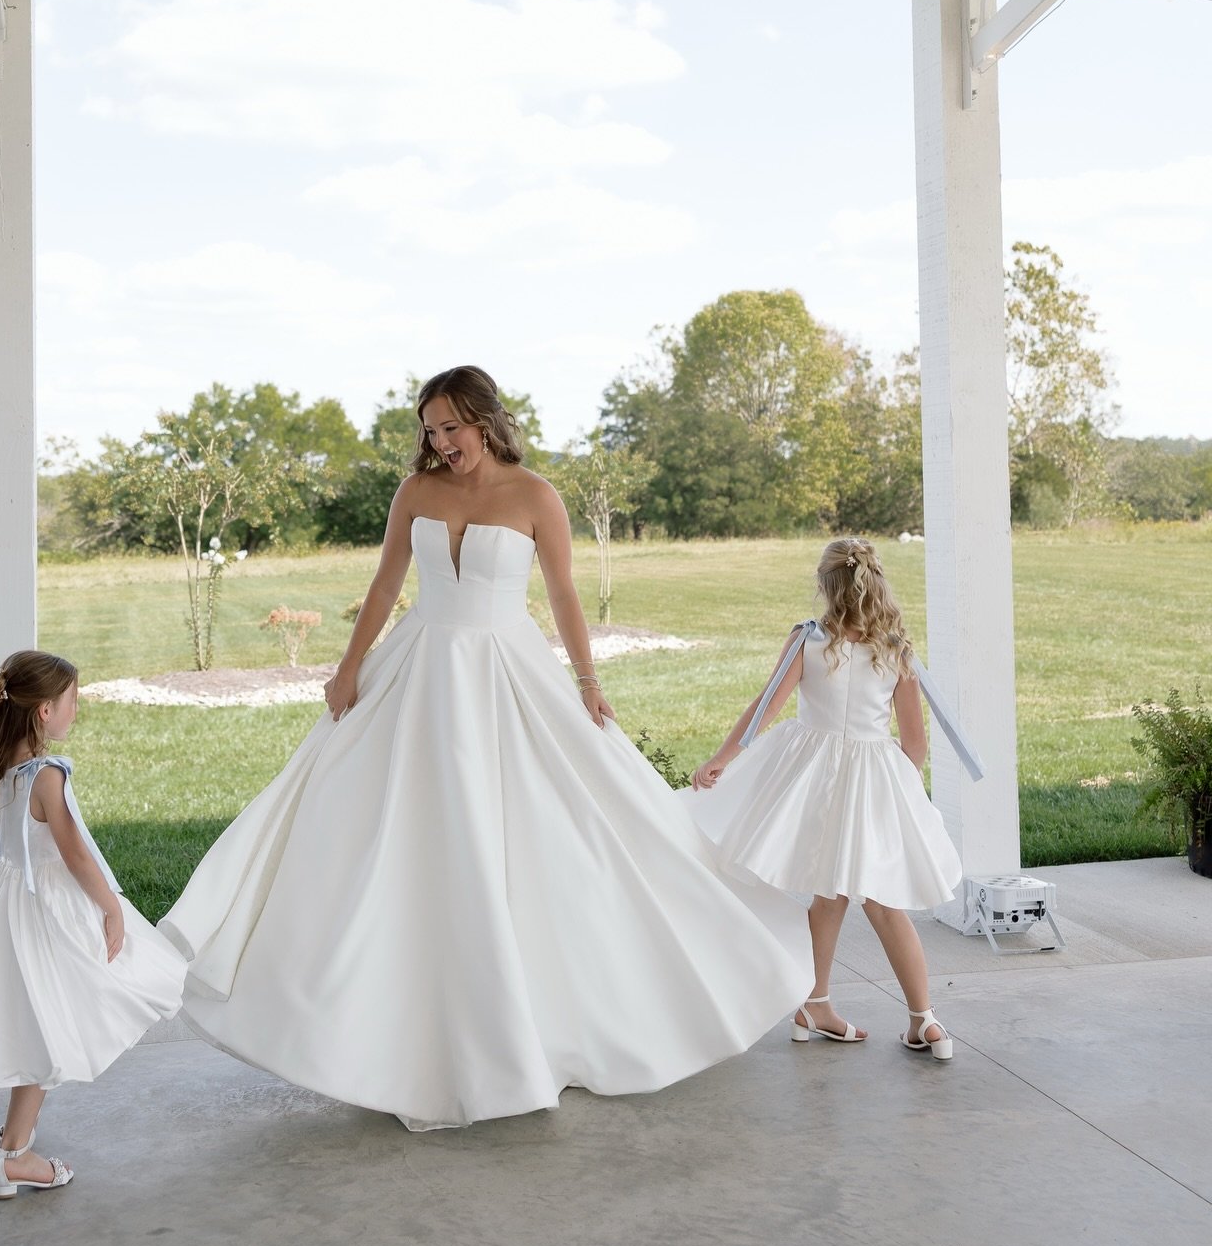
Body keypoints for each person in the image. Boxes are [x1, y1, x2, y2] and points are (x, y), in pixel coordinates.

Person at [162, 364, 812, 1130]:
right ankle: (379, 1029)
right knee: (385, 826)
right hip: (421, 671)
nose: (441, 443)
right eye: (430, 431)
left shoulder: (537, 496)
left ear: (485, 420)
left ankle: (550, 1022)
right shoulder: (417, 493)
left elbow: (566, 595)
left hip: (507, 671)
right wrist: (346, 668)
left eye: (452, 428)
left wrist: (589, 681)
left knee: (552, 828)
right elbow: (384, 586)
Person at [0, 649, 187, 1196]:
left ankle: (14, 1143)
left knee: (38, 1023)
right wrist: (112, 909)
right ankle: (14, 1156)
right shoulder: (45, 775)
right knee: (63, 1020)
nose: (76, 711)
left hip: (12, 905)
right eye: (72, 701)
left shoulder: (7, 768)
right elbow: (74, 853)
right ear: (44, 711)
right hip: (47, 910)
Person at [687, 536, 960, 1060]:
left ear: (824, 587)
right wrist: (899, 793)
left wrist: (724, 757)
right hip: (873, 778)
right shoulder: (896, 650)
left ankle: (816, 1002)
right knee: (880, 901)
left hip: (811, 777)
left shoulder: (807, 640)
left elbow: (764, 707)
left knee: (828, 892)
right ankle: (921, 1020)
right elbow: (915, 741)